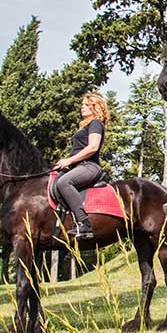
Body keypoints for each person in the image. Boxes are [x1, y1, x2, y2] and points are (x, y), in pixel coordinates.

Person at [52, 93, 110, 240]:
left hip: (89, 166)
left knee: (64, 182)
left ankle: (84, 224)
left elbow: (93, 147)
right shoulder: (85, 126)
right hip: (78, 167)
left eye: (85, 105)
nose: (81, 107)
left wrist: (69, 160)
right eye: (82, 105)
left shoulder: (96, 123)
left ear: (94, 107)